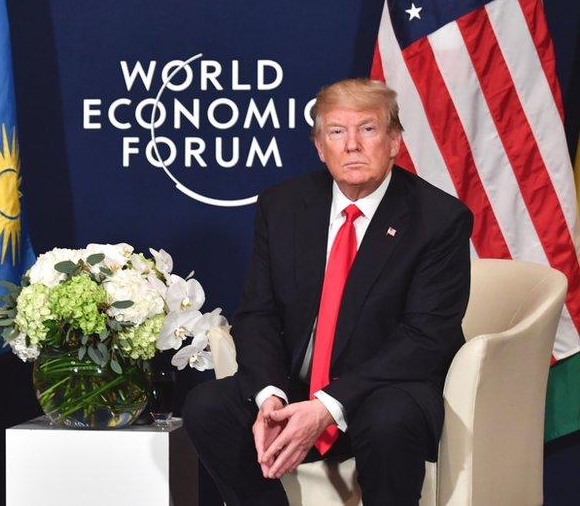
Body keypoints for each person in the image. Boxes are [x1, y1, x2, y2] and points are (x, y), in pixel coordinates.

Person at [183, 79, 472, 506]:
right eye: (337, 132)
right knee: (208, 406)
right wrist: (270, 396)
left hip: (387, 387)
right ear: (320, 147)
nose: (352, 145)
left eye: (368, 129)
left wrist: (328, 405)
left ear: (394, 141)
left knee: (389, 419)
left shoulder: (439, 219)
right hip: (298, 386)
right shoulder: (282, 205)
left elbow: (425, 338)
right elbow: (258, 313)